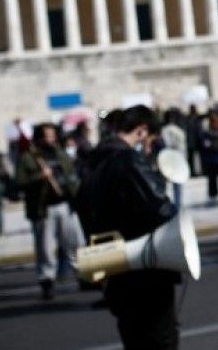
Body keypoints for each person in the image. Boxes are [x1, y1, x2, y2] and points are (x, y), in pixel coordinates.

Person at [76, 105, 180, 350]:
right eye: (151, 141)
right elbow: (162, 212)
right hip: (147, 274)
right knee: (160, 341)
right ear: (142, 131)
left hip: (114, 272)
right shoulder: (127, 160)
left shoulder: (92, 163)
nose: (149, 148)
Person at [16, 123, 82, 300]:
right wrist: (40, 177)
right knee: (46, 247)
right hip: (44, 208)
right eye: (47, 136)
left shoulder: (60, 153)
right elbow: (20, 182)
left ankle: (82, 274)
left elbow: (71, 175)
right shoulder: (29, 158)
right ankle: (47, 281)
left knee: (73, 242)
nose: (51, 139)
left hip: (65, 204)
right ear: (39, 138)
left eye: (53, 135)